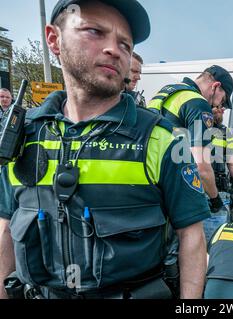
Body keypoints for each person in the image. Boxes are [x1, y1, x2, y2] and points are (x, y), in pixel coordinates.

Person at [0, 0, 209, 299]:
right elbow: (6, 223)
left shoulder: (161, 138)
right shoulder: (22, 132)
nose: (114, 49)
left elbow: (191, 236)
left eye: (125, 43)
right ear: (54, 39)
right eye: (94, 31)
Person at [148, 65, 233, 212]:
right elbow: (202, 167)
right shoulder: (198, 102)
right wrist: (215, 199)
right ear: (216, 86)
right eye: (223, 99)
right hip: (173, 190)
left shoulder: (166, 91)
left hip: (150, 182)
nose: (219, 105)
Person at [203, 105, 233, 242]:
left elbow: (232, 163)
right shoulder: (194, 127)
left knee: (219, 238)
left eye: (223, 108)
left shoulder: (225, 132)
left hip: (220, 190)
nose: (223, 110)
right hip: (198, 190)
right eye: (218, 107)